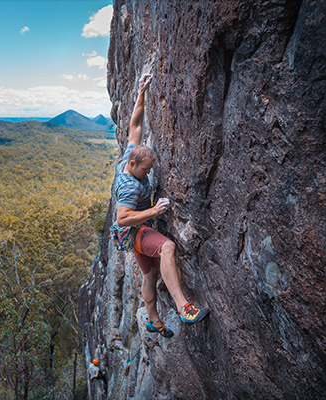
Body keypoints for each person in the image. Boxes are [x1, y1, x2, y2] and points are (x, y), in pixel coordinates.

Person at [114, 73, 209, 338]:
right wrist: (154, 211)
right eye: (146, 170)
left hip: (131, 233)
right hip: (132, 231)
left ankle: (154, 321)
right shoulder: (130, 185)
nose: (148, 172)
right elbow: (123, 218)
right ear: (133, 165)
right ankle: (184, 308)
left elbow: (135, 126)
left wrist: (141, 93)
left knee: (150, 274)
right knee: (167, 248)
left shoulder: (129, 158)